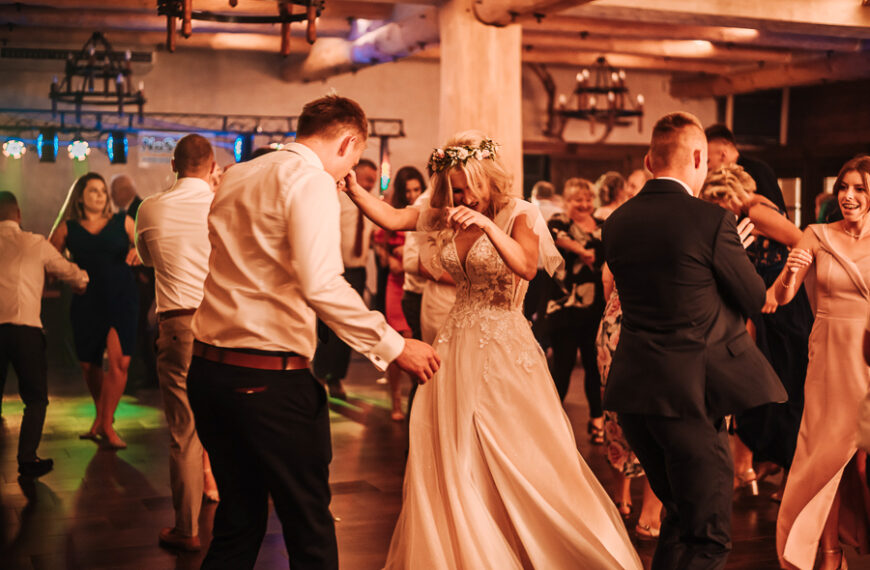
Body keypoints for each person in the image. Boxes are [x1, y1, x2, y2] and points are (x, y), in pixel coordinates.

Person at [344, 130, 642, 569]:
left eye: (467, 188)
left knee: (513, 443)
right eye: (455, 190)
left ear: (487, 178)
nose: (462, 198)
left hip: (503, 341)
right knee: (457, 446)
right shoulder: (446, 214)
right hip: (455, 341)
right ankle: (472, 540)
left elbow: (526, 266)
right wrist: (353, 190)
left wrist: (486, 225)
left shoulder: (520, 213)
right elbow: (391, 218)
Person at [186, 95, 439, 570]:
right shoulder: (310, 181)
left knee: (238, 523)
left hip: (207, 371)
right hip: (268, 378)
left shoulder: (238, 174)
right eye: (355, 158)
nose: (349, 171)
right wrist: (394, 344)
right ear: (346, 143)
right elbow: (321, 283)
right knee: (309, 529)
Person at [602, 111, 786, 570]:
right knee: (709, 539)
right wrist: (731, 254)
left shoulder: (618, 221)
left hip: (635, 395)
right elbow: (753, 298)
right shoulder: (712, 222)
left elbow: (672, 292)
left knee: (680, 520)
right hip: (689, 398)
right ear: (700, 158)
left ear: (649, 160)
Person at [775, 155, 870, 570]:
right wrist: (790, 273)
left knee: (861, 466)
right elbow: (782, 297)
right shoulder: (816, 234)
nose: (848, 196)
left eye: (859, 188)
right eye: (843, 187)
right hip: (829, 358)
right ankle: (829, 551)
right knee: (825, 461)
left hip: (866, 357)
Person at [700, 164, 813, 500]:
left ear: (729, 195)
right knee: (763, 386)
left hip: (784, 308)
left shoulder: (757, 211)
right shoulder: (747, 213)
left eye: (718, 203)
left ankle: (789, 476)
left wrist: (778, 290)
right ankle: (757, 464)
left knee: (788, 385)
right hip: (762, 306)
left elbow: (804, 245)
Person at [135, 134, 220, 552]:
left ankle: (187, 530)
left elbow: (146, 259)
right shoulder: (222, 204)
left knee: (185, 431)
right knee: (229, 424)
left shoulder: (150, 208)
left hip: (179, 325)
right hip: (225, 325)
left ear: (172, 164)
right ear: (213, 166)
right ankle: (240, 521)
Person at [0, 191, 89, 477]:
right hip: (26, 330)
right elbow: (70, 272)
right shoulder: (35, 243)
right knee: (36, 398)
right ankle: (27, 459)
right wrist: (82, 281)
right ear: (19, 214)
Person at [49, 173, 140, 450]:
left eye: (103, 191)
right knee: (89, 365)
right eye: (93, 191)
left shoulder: (123, 221)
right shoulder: (67, 228)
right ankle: (101, 417)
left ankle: (107, 423)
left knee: (120, 362)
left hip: (122, 297)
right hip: (86, 300)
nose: (100, 195)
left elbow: (147, 245)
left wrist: (139, 251)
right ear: (80, 196)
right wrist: (70, 276)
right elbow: (49, 260)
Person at [312, 158, 379, 400]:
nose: (370, 184)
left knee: (348, 330)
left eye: (373, 181)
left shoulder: (371, 203)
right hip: (335, 270)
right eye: (368, 179)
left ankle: (337, 378)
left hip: (358, 271)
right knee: (327, 326)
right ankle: (319, 375)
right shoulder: (338, 199)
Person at [545, 177, 606, 442]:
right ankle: (551, 424)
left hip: (595, 307)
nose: (583, 204)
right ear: (567, 201)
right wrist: (583, 251)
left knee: (594, 366)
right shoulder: (558, 221)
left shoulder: (603, 226)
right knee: (562, 366)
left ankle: (597, 420)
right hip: (565, 306)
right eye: (577, 199)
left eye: (588, 199)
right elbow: (556, 237)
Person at [374, 166, 425, 420]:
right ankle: (396, 399)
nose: (412, 195)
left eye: (416, 189)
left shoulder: (426, 213)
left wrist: (409, 255)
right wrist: (389, 258)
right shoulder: (394, 215)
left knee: (417, 339)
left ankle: (416, 396)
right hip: (396, 284)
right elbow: (378, 241)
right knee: (398, 341)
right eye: (407, 191)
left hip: (418, 284)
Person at [111, 173, 158, 389]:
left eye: (112, 192)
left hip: (143, 281)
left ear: (122, 191)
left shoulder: (138, 210)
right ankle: (145, 373)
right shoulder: (134, 209)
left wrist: (143, 273)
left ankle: (147, 374)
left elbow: (149, 245)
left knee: (141, 329)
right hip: (138, 280)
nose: (111, 197)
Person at [705, 123, 788, 213]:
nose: (707, 167)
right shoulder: (721, 179)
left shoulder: (759, 170)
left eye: (708, 161)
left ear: (723, 154)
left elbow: (779, 213)